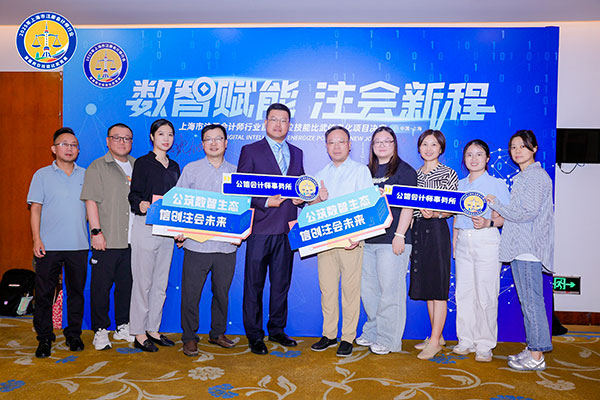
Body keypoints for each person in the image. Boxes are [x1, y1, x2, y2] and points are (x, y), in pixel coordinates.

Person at [237, 103, 305, 355]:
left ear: (289, 125)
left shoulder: (297, 153)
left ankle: (277, 329)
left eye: (283, 120)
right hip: (260, 229)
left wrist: (303, 197)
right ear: (265, 122)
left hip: (286, 230)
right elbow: (241, 188)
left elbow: (301, 185)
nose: (278, 124)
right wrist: (265, 201)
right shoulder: (250, 150)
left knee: (281, 284)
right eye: (274, 119)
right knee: (253, 285)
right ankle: (254, 335)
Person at [486, 130, 554, 371]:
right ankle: (534, 348)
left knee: (532, 302)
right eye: (513, 147)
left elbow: (527, 213)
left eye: (522, 146)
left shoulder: (535, 177)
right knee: (529, 301)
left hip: (528, 249)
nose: (517, 151)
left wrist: (496, 204)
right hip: (521, 248)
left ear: (534, 149)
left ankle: (536, 356)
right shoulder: (524, 176)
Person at [310, 126, 373, 357]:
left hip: (350, 241)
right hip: (326, 240)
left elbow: (367, 204)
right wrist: (319, 199)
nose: (336, 147)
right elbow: (311, 209)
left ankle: (347, 337)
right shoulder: (319, 174)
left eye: (341, 142)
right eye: (331, 142)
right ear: (326, 146)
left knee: (350, 290)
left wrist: (358, 236)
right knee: (327, 289)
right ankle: (329, 334)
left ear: (349, 145)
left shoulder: (360, 171)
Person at [176, 124, 238, 357]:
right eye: (208, 139)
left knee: (222, 293)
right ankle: (189, 338)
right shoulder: (191, 170)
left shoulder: (236, 172)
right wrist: (178, 231)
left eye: (218, 138)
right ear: (202, 144)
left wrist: (239, 232)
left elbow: (242, 207)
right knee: (191, 294)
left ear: (226, 143)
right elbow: (179, 203)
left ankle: (217, 333)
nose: (213, 143)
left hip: (226, 246)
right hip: (196, 245)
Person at [27, 127, 88, 358]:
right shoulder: (41, 175)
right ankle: (44, 337)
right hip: (48, 245)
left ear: (78, 150)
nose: (69, 148)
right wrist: (37, 239)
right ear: (54, 149)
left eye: (74, 145)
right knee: (44, 293)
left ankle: (73, 334)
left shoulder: (86, 175)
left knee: (76, 292)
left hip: (79, 245)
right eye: (64, 144)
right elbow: (35, 209)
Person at [355, 126, 416, 355]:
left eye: (386, 141)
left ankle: (389, 339)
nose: (382, 145)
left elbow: (409, 205)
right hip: (368, 239)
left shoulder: (405, 171)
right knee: (369, 291)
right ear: (372, 146)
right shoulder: (365, 171)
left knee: (391, 291)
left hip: (393, 240)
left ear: (394, 144)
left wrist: (400, 235)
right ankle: (373, 331)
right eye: (377, 141)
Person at [452, 139, 510, 362]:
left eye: (478, 154)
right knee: (464, 292)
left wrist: (489, 222)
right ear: (464, 159)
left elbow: (507, 217)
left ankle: (485, 344)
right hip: (463, 242)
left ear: (487, 158)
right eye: (469, 154)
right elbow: (456, 218)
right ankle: (466, 339)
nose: (473, 159)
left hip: (487, 240)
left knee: (485, 293)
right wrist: (455, 243)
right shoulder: (460, 185)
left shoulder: (497, 184)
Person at [81, 123, 136, 350]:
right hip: (106, 239)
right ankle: (100, 330)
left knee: (126, 286)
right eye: (117, 137)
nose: (122, 142)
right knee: (101, 288)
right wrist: (96, 232)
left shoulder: (137, 165)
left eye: (127, 138)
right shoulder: (97, 167)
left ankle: (123, 326)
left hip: (132, 240)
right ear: (107, 141)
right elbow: (91, 201)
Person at [128, 119, 180, 352]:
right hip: (146, 225)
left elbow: (178, 200)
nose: (166, 139)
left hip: (167, 229)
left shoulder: (175, 166)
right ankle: (139, 333)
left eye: (170, 134)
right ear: (152, 137)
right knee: (143, 283)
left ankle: (153, 329)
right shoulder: (143, 163)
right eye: (161, 134)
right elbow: (133, 195)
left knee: (160, 283)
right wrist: (141, 204)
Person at [409, 129, 458, 360]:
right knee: (428, 286)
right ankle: (436, 336)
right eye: (425, 144)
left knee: (438, 288)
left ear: (441, 149)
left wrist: (436, 213)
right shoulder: (414, 175)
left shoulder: (448, 173)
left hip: (437, 230)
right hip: (419, 230)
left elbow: (453, 207)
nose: (429, 149)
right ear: (419, 148)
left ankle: (436, 341)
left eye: (434, 145)